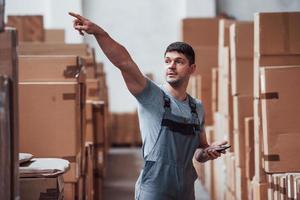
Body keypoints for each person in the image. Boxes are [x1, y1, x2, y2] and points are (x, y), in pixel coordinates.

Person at [69, 12, 228, 200]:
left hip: (186, 190)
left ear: (192, 68)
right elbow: (124, 63)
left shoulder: (197, 108)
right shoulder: (152, 96)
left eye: (179, 61)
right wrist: (98, 32)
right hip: (155, 189)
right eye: (167, 61)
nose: (171, 66)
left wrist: (209, 152)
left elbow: (199, 152)